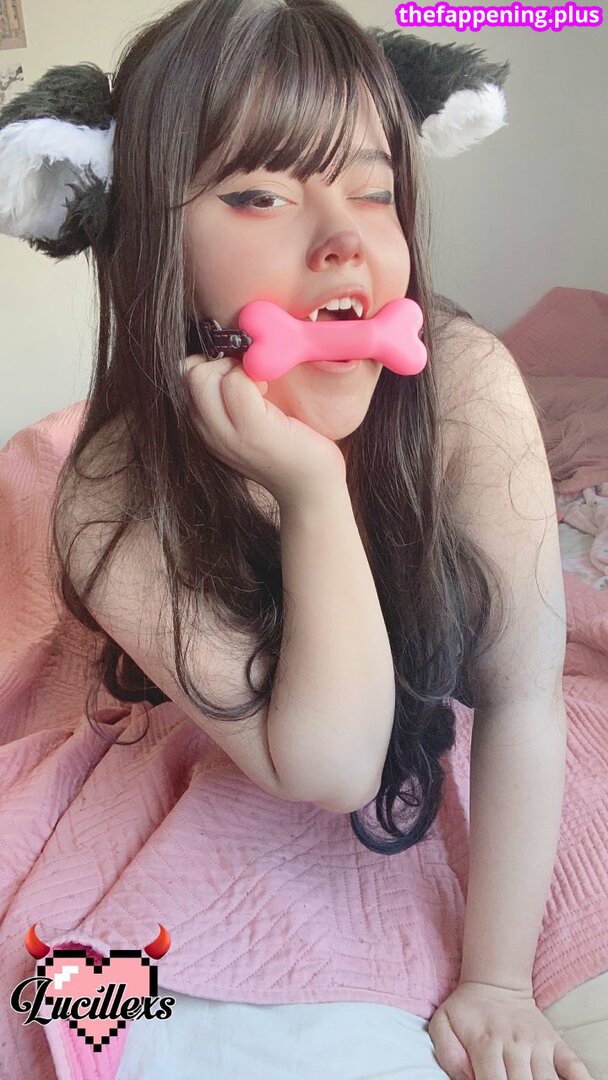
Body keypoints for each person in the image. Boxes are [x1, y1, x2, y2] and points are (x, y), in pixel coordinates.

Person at [1, 0, 597, 1077]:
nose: (343, 239)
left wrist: (498, 983)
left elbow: (520, 694)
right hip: (272, 754)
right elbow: (332, 766)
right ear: (151, 242)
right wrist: (312, 493)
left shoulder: (462, 385)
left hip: (464, 744)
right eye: (259, 195)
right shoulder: (108, 491)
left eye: (374, 190)